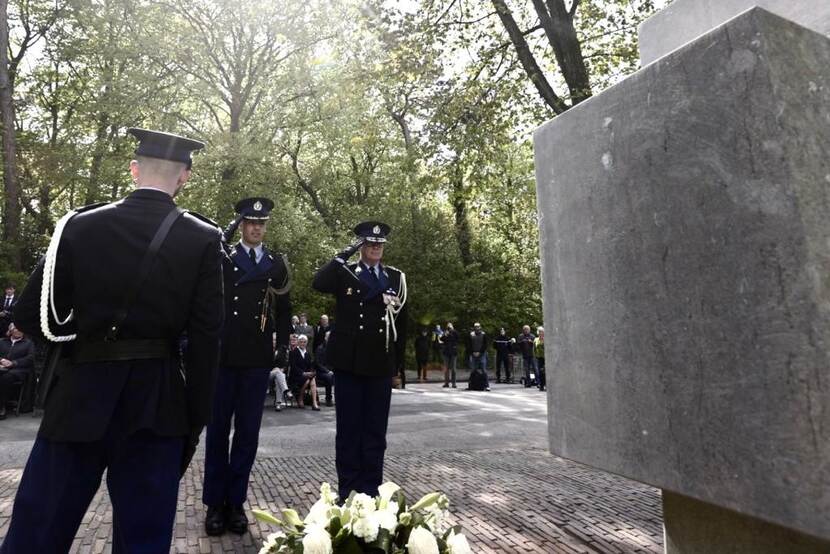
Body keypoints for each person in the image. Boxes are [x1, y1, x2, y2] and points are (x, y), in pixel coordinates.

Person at [0, 128, 223, 554]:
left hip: (81, 394)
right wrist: (193, 421)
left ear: (134, 169)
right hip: (157, 404)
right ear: (184, 177)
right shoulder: (202, 238)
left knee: (36, 533)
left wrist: (76, 351)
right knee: (143, 540)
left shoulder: (79, 225)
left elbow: (30, 313)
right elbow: (207, 340)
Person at [202, 197, 292, 537]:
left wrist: (282, 344)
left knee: (248, 434)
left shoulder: (275, 263)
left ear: (265, 227)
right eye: (250, 222)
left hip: (255, 359)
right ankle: (214, 503)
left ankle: (236, 502)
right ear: (241, 225)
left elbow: (284, 311)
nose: (256, 228)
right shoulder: (224, 255)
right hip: (223, 356)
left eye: (261, 223)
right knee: (217, 432)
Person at [312, 221, 407, 501]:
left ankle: (372, 491)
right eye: (369, 243)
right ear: (361, 246)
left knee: (375, 433)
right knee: (349, 432)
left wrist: (397, 367)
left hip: (379, 365)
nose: (376, 247)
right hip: (349, 365)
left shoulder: (395, 278)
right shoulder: (344, 273)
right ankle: (349, 492)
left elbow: (403, 326)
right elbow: (318, 282)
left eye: (379, 244)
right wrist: (342, 255)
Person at [0, 323, 35, 420]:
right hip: (2, 368)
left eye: (21, 329)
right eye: (15, 329)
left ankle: (1, 406)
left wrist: (13, 363)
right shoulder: (2, 341)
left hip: (18, 370)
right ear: (10, 331)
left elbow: (30, 358)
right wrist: (1, 360)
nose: (18, 330)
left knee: (5, 378)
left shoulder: (28, 343)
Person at [288, 334, 319, 410]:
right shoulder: (293, 352)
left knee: (312, 379)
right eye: (301, 342)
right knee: (309, 379)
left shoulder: (307, 354)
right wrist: (303, 373)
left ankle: (314, 402)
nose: (303, 344)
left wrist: (311, 372)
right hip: (296, 376)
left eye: (304, 342)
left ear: (307, 343)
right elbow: (293, 367)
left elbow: (310, 366)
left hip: (306, 376)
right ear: (298, 342)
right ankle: (301, 398)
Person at [270, 334, 294, 412]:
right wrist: (275, 369)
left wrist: (282, 369)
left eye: (276, 340)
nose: (274, 341)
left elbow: (284, 364)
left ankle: (278, 404)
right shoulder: (265, 350)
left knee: (279, 377)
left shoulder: (280, 351)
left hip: (277, 374)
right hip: (266, 374)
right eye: (273, 340)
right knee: (278, 372)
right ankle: (286, 390)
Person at [467, 322, 490, 391]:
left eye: (478, 327)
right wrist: (472, 352)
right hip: (473, 354)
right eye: (475, 327)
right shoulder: (471, 334)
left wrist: (480, 352)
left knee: (483, 369)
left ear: (480, 327)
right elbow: (469, 345)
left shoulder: (483, 334)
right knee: (473, 369)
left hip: (482, 354)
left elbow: (485, 345)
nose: (477, 328)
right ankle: (471, 385)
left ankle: (487, 385)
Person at [314, 330, 335, 406]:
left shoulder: (334, 348)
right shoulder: (320, 348)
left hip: (332, 371)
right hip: (321, 372)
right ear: (325, 338)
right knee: (329, 377)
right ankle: (328, 399)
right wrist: (327, 371)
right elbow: (317, 363)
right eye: (328, 337)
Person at [441, 322, 459, 388]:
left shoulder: (455, 332)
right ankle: (446, 383)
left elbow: (458, 338)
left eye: (450, 327)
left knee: (453, 369)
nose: (449, 328)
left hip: (453, 353)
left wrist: (453, 331)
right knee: (446, 369)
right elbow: (441, 339)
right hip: (446, 353)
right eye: (448, 327)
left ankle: (454, 383)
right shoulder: (445, 332)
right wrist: (445, 334)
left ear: (452, 327)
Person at [534, 327, 546, 391]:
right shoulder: (536, 339)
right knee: (540, 372)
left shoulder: (546, 339)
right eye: (540, 332)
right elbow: (534, 348)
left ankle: (546, 385)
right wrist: (535, 355)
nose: (541, 333)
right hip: (539, 357)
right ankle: (541, 386)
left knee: (545, 372)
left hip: (546, 358)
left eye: (542, 332)